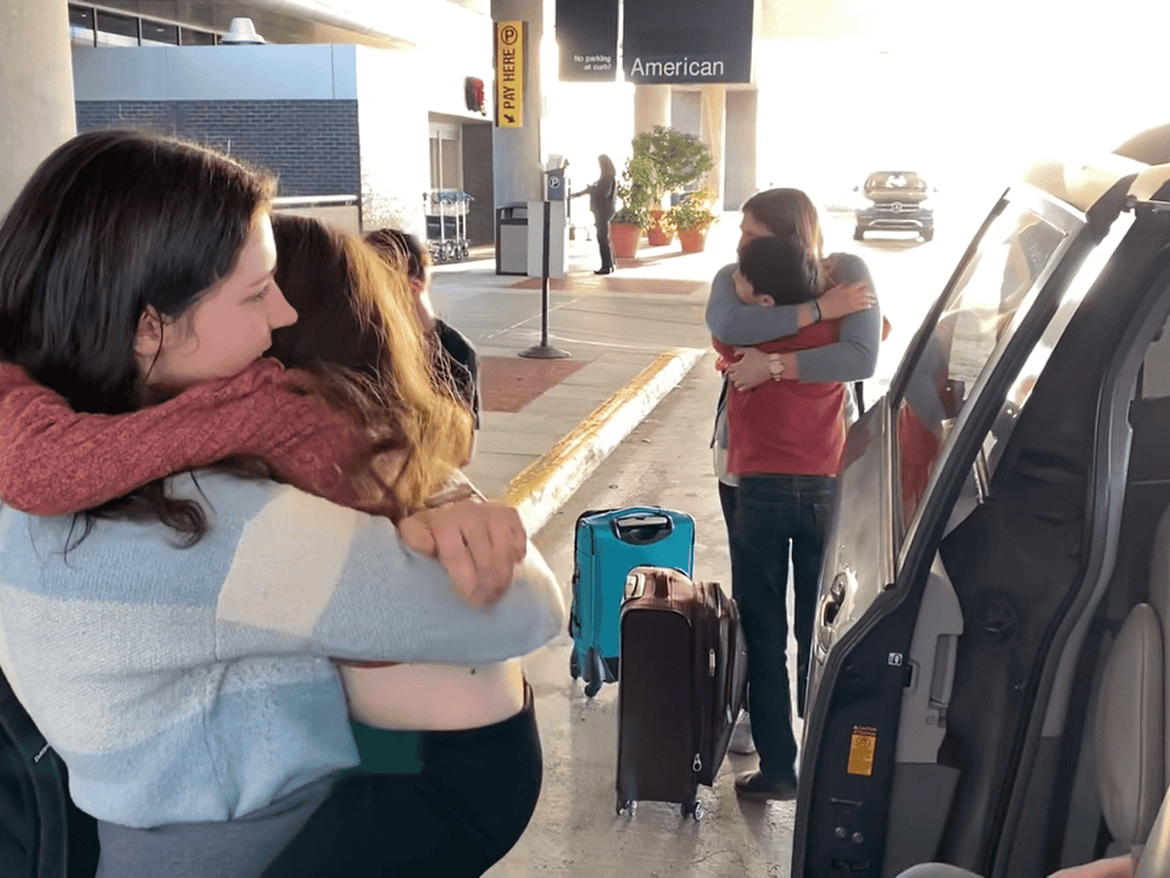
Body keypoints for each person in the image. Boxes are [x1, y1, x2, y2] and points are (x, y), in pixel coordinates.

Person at [0, 130, 564, 878]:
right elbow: (522, 609)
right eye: (256, 291)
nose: (286, 313)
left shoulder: (40, 458)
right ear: (148, 329)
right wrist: (431, 500)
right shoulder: (206, 528)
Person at [704, 188, 881, 798]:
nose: (738, 248)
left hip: (761, 485)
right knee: (819, 630)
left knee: (771, 628)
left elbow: (861, 356)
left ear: (780, 238)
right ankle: (825, 766)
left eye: (751, 236)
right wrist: (817, 313)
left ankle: (783, 768)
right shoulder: (834, 288)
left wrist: (772, 364)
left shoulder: (752, 284)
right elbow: (854, 350)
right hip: (820, 480)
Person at [364, 226, 481, 432]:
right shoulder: (361, 342)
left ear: (412, 289)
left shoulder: (455, 352)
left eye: (371, 286)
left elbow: (463, 450)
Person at [570, 153, 617, 275]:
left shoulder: (607, 179)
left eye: (600, 163)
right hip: (603, 211)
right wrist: (579, 194)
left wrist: (593, 189)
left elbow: (603, 193)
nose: (599, 166)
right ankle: (609, 265)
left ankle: (606, 267)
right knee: (603, 238)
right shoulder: (606, 178)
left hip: (603, 212)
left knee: (602, 238)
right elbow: (594, 190)